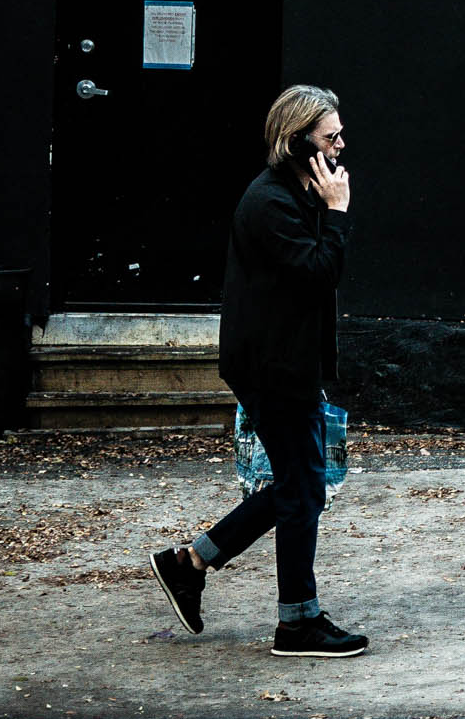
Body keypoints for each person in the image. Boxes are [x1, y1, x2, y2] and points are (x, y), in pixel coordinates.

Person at [147, 85, 366, 658]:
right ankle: (296, 624)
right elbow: (318, 274)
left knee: (301, 488)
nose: (341, 146)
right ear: (297, 142)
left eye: (340, 134)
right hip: (272, 367)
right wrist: (338, 213)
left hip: (289, 362)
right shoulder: (269, 202)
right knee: (301, 492)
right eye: (330, 137)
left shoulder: (300, 193)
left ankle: (189, 562)